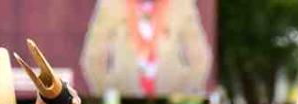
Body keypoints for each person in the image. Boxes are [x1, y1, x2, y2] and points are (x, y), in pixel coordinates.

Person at [80, 0, 213, 97]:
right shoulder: (111, 4)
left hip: (170, 90)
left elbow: (200, 57)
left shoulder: (182, 4)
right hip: (125, 90)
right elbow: (93, 58)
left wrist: (184, 93)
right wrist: (109, 93)